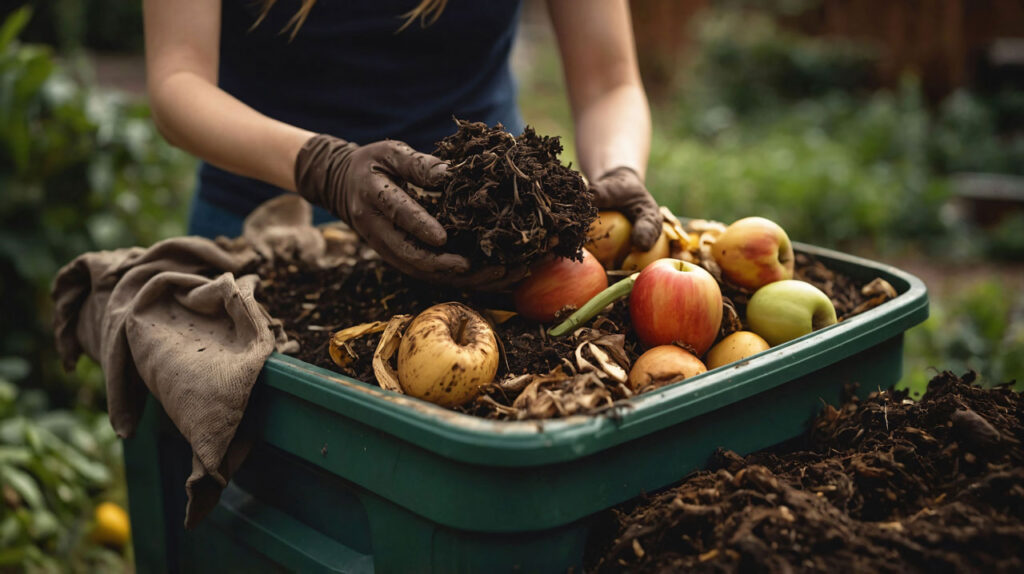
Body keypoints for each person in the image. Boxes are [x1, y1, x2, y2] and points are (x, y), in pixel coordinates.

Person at [144, 0, 661, 289]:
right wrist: (326, 168)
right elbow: (178, 83)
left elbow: (607, 83)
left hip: (491, 241)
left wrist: (617, 169)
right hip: (267, 236)